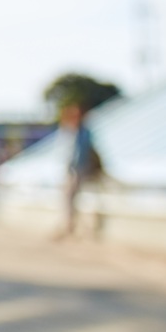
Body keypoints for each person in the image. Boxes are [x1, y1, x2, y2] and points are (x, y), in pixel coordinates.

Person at [54, 102, 104, 239]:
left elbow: (77, 154)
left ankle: (70, 227)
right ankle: (71, 226)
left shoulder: (81, 132)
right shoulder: (75, 131)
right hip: (76, 170)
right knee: (70, 199)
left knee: (70, 199)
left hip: (78, 171)